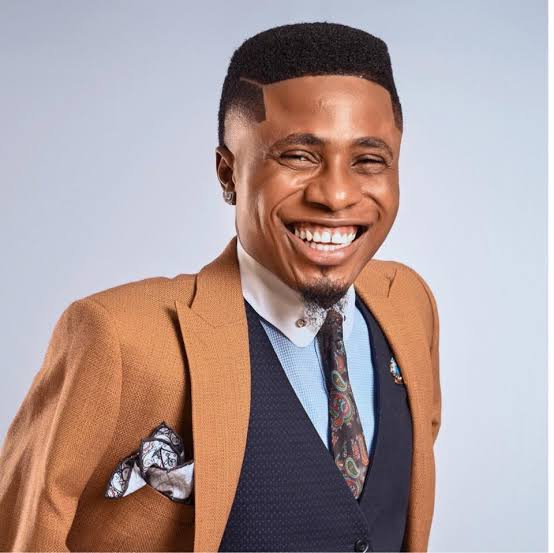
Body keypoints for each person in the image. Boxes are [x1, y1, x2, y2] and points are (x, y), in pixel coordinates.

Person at [0, 21, 441, 553]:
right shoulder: (119, 338)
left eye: (369, 160)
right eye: (299, 156)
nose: (336, 194)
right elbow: (26, 531)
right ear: (228, 173)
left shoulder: (407, 302)